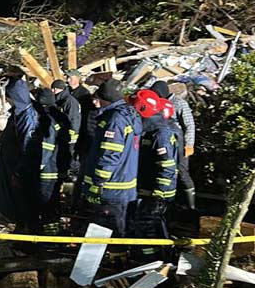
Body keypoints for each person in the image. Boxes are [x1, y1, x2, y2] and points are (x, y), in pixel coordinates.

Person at [78, 79, 140, 237]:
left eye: (97, 99)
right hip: (123, 185)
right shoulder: (128, 114)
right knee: (119, 228)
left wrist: (99, 180)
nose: (94, 102)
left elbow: (111, 152)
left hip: (111, 188)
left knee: (105, 231)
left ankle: (113, 253)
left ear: (107, 99)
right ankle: (117, 251)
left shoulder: (114, 120)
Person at [130, 90, 179, 258]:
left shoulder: (160, 134)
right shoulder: (150, 130)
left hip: (156, 191)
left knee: (148, 225)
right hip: (147, 187)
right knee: (143, 224)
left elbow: (167, 167)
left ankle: (152, 259)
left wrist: (159, 194)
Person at [0, 74, 39, 229]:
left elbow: (27, 145)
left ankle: (24, 226)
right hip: (11, 162)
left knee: (22, 197)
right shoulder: (17, 112)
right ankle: (13, 217)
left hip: (20, 166)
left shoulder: (28, 117)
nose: (8, 101)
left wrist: (20, 169)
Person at [150, 81, 196, 209]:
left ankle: (191, 205)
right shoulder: (156, 103)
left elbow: (189, 125)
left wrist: (189, 145)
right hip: (164, 142)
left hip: (178, 142)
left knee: (182, 172)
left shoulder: (179, 103)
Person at [35, 88, 70, 236]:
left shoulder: (47, 119)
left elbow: (46, 147)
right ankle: (53, 232)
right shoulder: (61, 116)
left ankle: (49, 235)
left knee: (46, 203)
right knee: (54, 202)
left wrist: (37, 167)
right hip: (60, 166)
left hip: (48, 170)